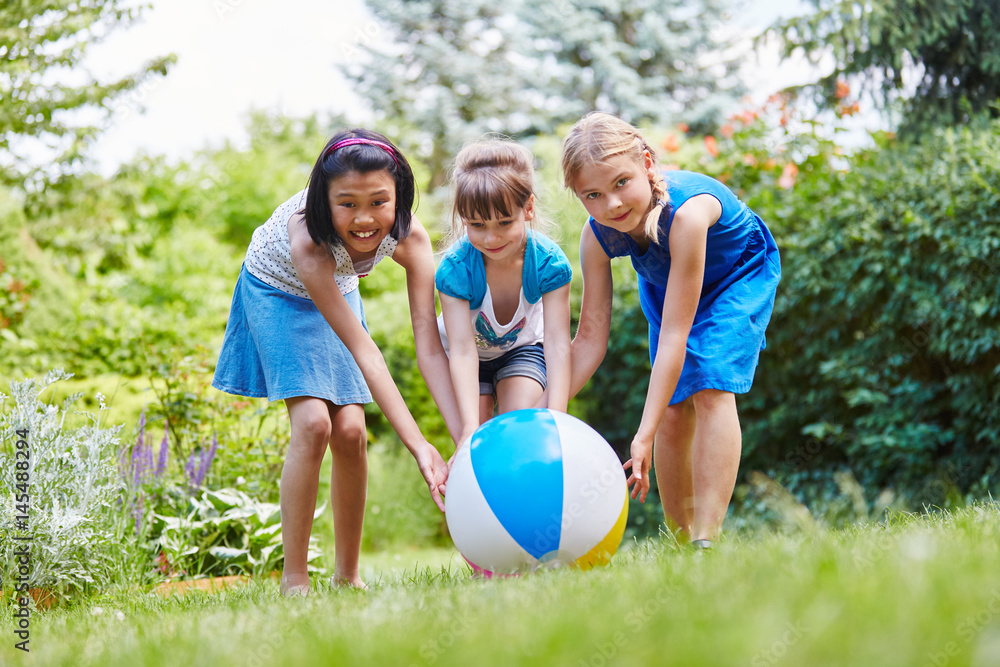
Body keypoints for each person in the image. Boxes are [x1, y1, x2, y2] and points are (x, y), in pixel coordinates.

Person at [212, 128, 460, 594]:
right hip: (276, 291)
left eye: (378, 202)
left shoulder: (410, 239)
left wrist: (451, 436)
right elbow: (366, 350)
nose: (363, 219)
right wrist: (415, 443)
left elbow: (429, 344)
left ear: (400, 198)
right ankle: (295, 579)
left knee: (351, 432)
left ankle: (348, 576)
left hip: (338, 290)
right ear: (323, 201)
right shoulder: (308, 239)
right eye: (346, 203)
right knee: (313, 424)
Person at [560, 112, 781, 548]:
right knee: (673, 409)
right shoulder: (597, 235)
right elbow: (589, 338)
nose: (612, 205)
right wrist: (546, 407)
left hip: (737, 276)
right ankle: (680, 545)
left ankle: (705, 540)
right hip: (668, 282)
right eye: (593, 195)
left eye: (621, 182)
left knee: (709, 383)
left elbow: (676, 338)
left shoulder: (689, 214)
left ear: (646, 163)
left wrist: (641, 437)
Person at [435, 138, 572, 448]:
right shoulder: (455, 270)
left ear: (529, 208)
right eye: (478, 224)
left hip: (520, 350)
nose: (491, 237)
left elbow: (557, 342)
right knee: (480, 438)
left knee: (518, 426)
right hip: (466, 357)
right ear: (463, 219)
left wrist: (558, 415)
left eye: (504, 222)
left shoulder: (549, 264)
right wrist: (469, 426)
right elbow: (462, 350)